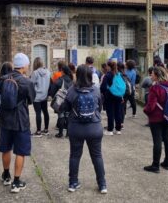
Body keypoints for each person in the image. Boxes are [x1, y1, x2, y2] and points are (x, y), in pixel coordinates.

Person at [60, 65, 107, 194]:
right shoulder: (96, 90)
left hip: (76, 128)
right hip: (94, 128)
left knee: (75, 156)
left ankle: (73, 183)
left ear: (77, 75)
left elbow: (64, 107)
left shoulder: (72, 90)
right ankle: (102, 184)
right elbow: (100, 108)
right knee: (97, 156)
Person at [0, 53, 35, 193]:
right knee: (20, 151)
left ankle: (6, 174)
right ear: (24, 65)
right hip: (20, 120)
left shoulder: (3, 79)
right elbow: (31, 99)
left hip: (5, 119)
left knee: (6, 148)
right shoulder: (27, 82)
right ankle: (16, 181)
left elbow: (1, 94)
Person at [143, 66, 168, 173]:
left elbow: (150, 106)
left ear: (156, 75)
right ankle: (167, 163)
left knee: (157, 141)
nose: (151, 75)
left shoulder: (155, 88)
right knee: (167, 138)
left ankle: (155, 165)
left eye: (152, 74)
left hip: (156, 118)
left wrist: (145, 110)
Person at [49, 65, 74, 138]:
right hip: (69, 101)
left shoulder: (59, 80)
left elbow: (53, 90)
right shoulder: (71, 80)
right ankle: (68, 133)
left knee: (61, 116)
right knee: (67, 116)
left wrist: (54, 97)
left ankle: (60, 133)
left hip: (61, 101)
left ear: (62, 71)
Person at [100, 61, 123, 136]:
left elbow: (103, 87)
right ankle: (118, 129)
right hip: (119, 96)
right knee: (118, 112)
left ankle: (110, 130)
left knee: (110, 113)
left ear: (108, 66)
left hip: (110, 96)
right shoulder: (118, 74)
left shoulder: (108, 75)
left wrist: (104, 92)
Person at [30, 57, 51, 137]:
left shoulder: (35, 73)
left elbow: (31, 85)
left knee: (38, 113)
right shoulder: (48, 72)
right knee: (45, 112)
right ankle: (46, 130)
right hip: (44, 96)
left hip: (37, 96)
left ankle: (38, 131)